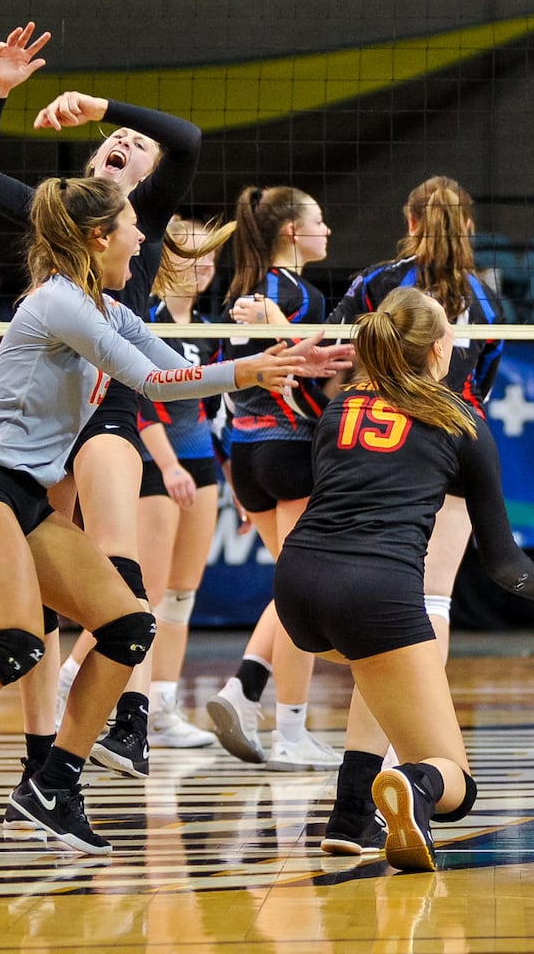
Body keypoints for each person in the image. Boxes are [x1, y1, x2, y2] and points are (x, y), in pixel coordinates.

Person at [0, 177, 342, 855]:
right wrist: (250, 372)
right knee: (17, 641)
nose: (145, 239)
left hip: (25, 494)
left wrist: (281, 361)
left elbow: (178, 369)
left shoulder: (108, 308)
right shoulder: (58, 303)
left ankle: (53, 786)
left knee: (131, 624)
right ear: (98, 236)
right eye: (134, 226)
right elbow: (153, 384)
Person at [0, 21, 204, 789]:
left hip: (110, 411)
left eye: (135, 144)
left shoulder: (146, 222)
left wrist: (102, 105)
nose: (123, 144)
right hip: (45, 417)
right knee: (46, 593)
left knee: (118, 558)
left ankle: (127, 714)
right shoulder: (58, 218)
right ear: (91, 173)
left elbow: (187, 137)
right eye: (111, 143)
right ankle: (43, 745)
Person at [273, 288, 534, 871]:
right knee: (457, 786)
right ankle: (411, 786)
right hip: (373, 597)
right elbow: (504, 565)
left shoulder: (341, 407)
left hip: (296, 587)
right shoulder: (458, 418)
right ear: (442, 349)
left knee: (378, 669)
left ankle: (349, 816)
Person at [63, 216, 231, 760]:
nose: (204, 265)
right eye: (192, 255)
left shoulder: (206, 321)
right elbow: (143, 397)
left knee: (182, 594)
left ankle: (162, 706)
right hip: (158, 462)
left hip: (201, 460)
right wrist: (168, 463)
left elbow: (208, 403)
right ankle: (71, 676)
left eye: (209, 256)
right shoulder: (145, 315)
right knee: (144, 594)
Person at [333, 175, 505, 665]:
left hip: (381, 441)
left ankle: (372, 725)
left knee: (377, 587)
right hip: (455, 440)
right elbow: (487, 378)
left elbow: (338, 349)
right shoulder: (487, 298)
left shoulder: (377, 282)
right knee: (434, 599)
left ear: (410, 221)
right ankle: (419, 722)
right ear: (467, 226)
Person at [206, 184, 342, 772]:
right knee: (303, 595)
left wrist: (230, 469)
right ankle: (289, 729)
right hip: (290, 452)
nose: (327, 231)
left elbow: (220, 382)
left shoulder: (242, 291)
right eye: (319, 220)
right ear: (291, 231)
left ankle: (242, 690)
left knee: (291, 590)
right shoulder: (296, 294)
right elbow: (310, 374)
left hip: (246, 455)